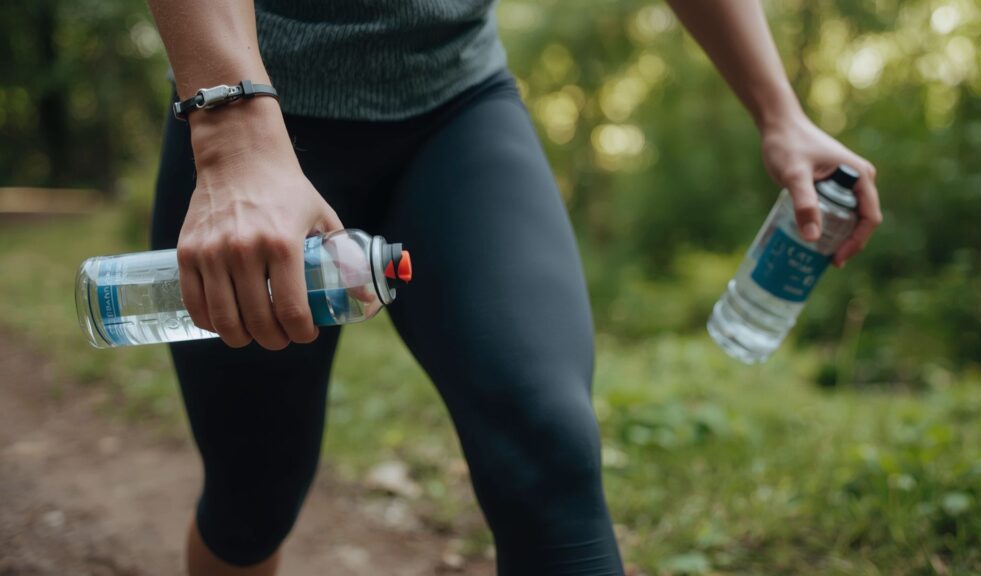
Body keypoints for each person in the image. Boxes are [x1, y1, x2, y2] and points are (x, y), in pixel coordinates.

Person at [146, 0, 882, 574]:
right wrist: (233, 137)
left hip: (454, 112)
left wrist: (780, 113)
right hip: (250, 117)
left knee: (547, 446)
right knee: (253, 497)